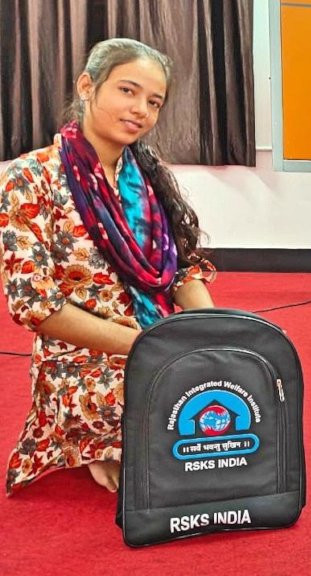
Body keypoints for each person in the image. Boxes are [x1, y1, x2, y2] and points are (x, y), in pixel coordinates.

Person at [0, 39, 216, 495]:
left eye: (154, 102)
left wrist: (212, 332)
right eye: (127, 91)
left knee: (238, 376)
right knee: (158, 398)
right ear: (87, 86)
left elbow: (181, 270)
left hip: (157, 336)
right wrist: (146, 346)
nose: (140, 110)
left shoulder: (147, 178)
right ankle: (96, 443)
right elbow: (35, 305)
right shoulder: (29, 177)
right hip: (80, 357)